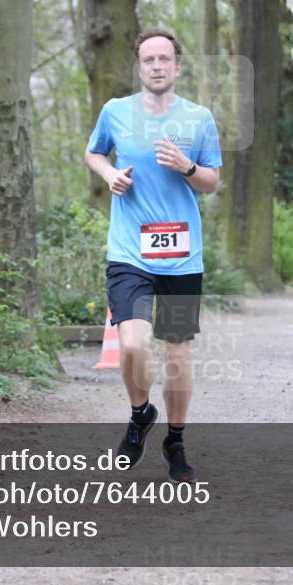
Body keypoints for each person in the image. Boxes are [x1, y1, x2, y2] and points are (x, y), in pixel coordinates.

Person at [84, 27, 222, 484]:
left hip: (182, 256)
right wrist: (109, 175)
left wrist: (186, 166)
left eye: (165, 59)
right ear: (139, 67)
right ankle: (141, 413)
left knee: (179, 356)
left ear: (177, 67)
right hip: (129, 251)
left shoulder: (199, 118)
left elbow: (212, 181)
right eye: (149, 60)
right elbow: (94, 153)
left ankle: (175, 440)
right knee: (132, 345)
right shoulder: (115, 112)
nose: (157, 66)